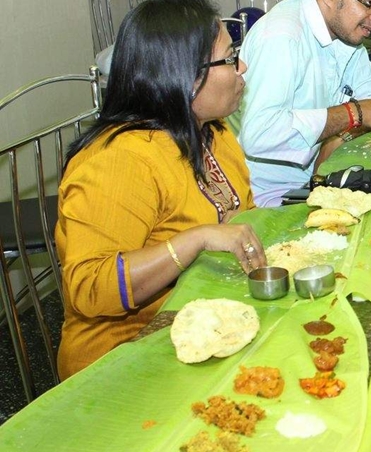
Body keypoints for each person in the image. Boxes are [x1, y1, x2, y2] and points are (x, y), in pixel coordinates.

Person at [56, 0, 265, 378]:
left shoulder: (212, 132)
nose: (243, 67)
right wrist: (197, 239)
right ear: (186, 76)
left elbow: (237, 217)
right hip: (122, 359)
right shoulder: (119, 160)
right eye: (230, 57)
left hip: (208, 327)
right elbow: (90, 288)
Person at [235, 0, 371, 207]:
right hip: (272, 197)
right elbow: (260, 135)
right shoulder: (281, 37)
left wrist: (338, 138)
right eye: (369, 4)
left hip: (323, 176)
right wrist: (351, 114)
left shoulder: (343, 30)